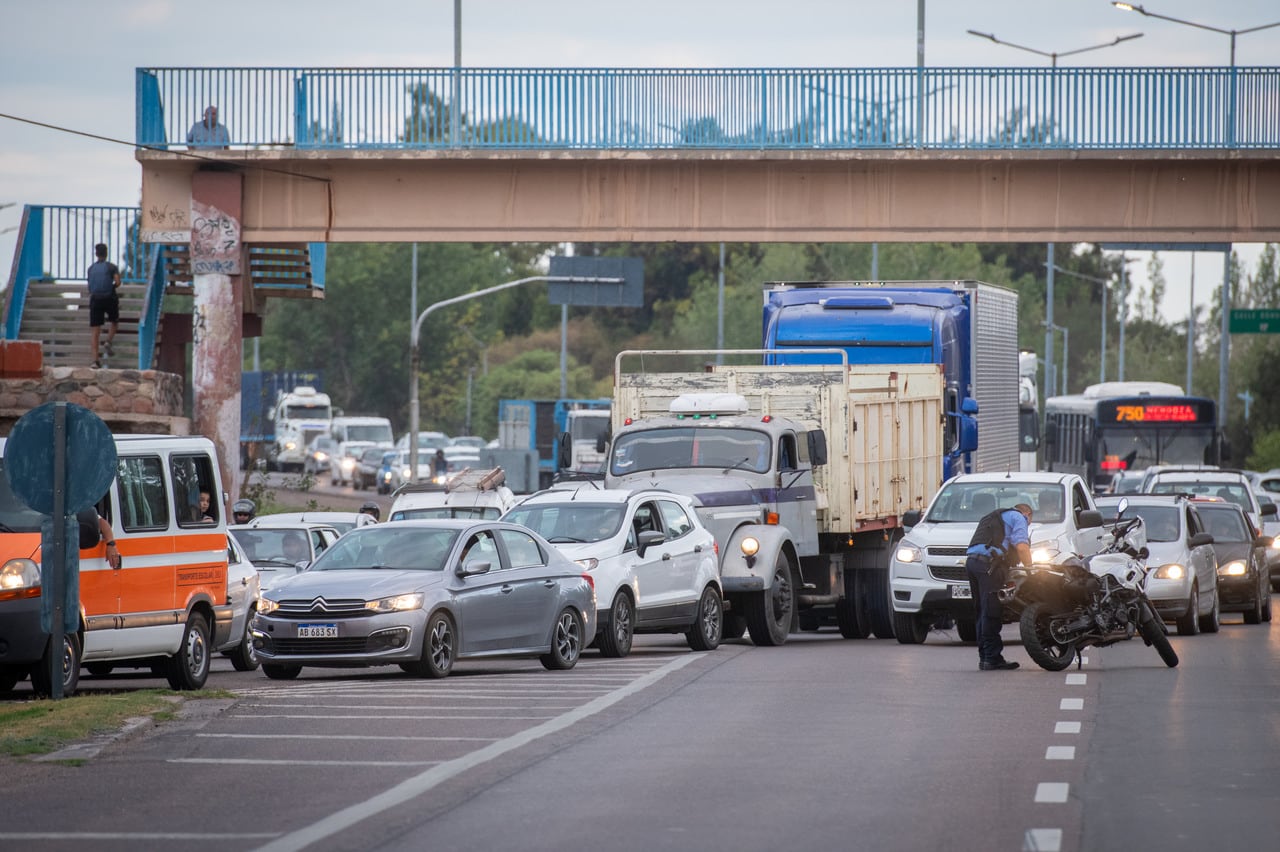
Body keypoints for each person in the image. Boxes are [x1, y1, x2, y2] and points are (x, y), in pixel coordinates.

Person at [965, 502, 1033, 671]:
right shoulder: (1019, 517)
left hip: (972, 563)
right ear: (1028, 514)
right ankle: (992, 658)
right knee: (991, 611)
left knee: (981, 610)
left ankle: (985, 657)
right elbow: (1022, 547)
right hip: (990, 566)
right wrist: (1030, 570)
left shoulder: (993, 516)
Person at [86, 242, 121, 368]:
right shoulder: (112, 267)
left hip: (95, 299)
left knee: (95, 331)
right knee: (114, 321)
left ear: (96, 254)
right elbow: (117, 282)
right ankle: (108, 341)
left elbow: (89, 287)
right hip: (109, 298)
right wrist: (112, 287)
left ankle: (94, 361)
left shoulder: (90, 269)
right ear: (106, 253)